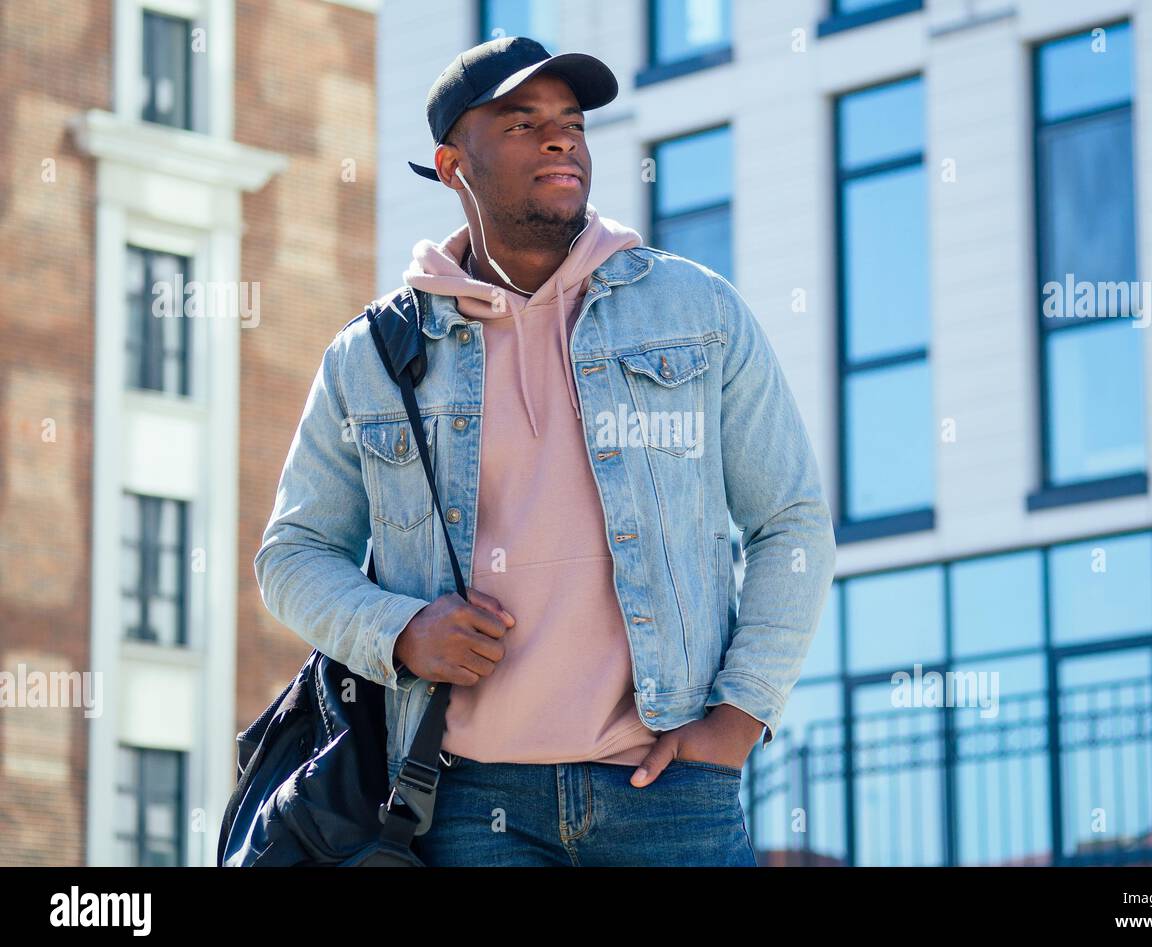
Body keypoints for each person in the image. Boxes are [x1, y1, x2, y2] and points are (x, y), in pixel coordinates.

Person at [254, 35, 836, 866]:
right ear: (453, 164)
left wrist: (742, 715)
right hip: (467, 803)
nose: (561, 138)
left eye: (571, 121)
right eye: (523, 122)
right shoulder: (374, 356)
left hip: (669, 796)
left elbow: (792, 523)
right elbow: (294, 555)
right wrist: (402, 630)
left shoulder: (696, 310)